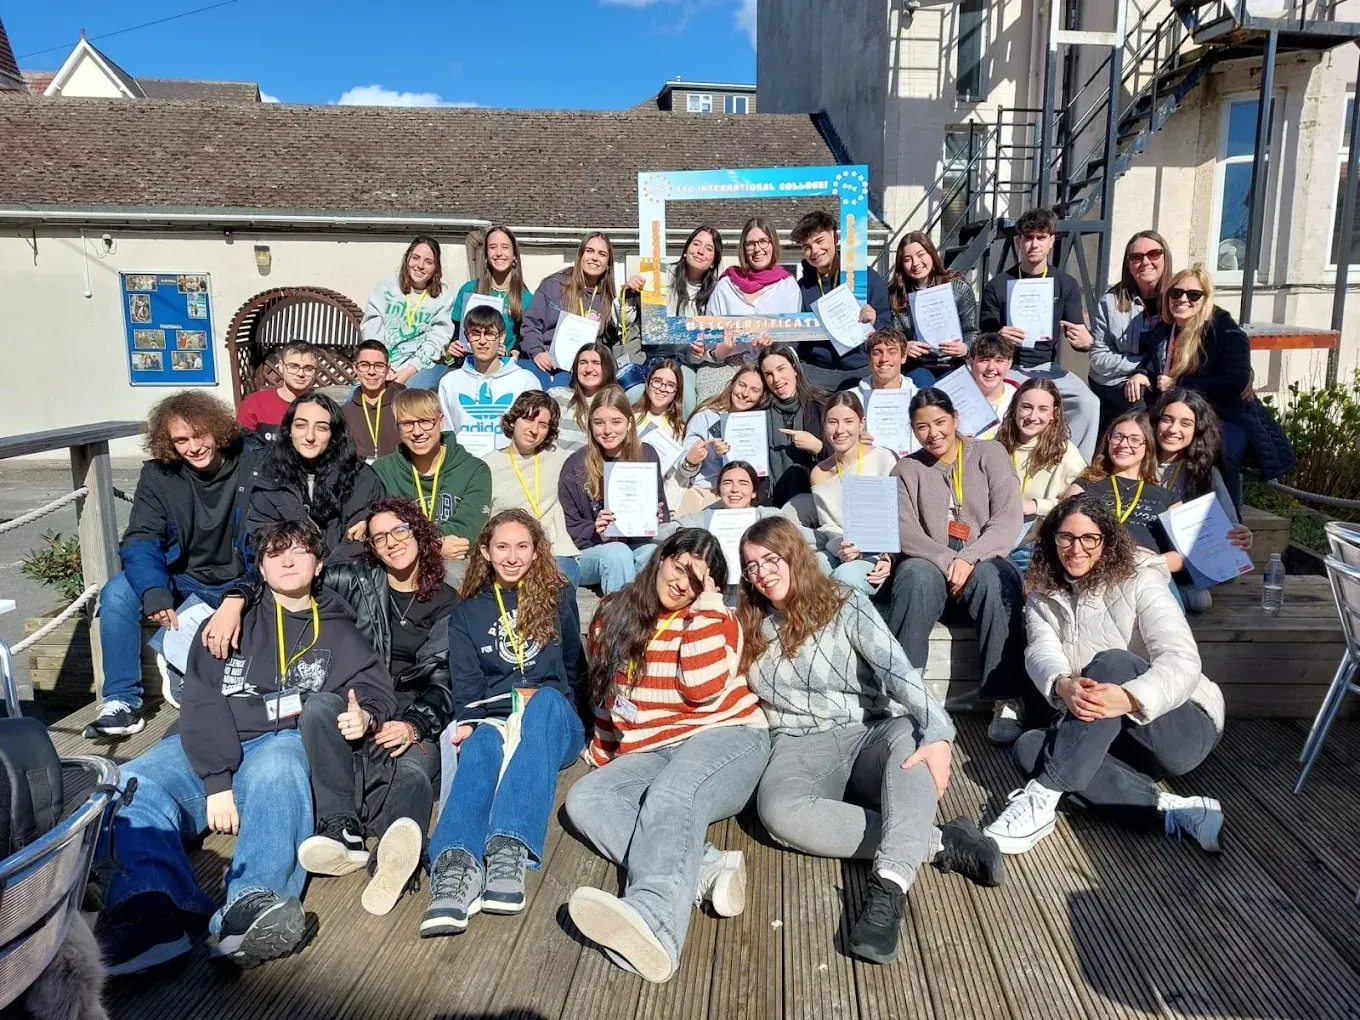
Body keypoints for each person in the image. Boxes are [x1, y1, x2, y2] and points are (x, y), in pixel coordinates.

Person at [94, 521, 397, 975]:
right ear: (261, 568)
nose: (288, 562)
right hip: (205, 742)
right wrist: (217, 781)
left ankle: (253, 902)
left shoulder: (340, 631)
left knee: (281, 769)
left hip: (279, 741)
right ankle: (150, 907)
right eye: (276, 554)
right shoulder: (225, 623)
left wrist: (366, 715)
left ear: (318, 565)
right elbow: (201, 700)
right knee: (131, 785)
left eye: (299, 552)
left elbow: (375, 689)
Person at [737, 516, 1003, 964]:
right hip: (797, 746)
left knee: (912, 736)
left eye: (770, 559)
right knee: (777, 811)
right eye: (751, 567)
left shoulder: (845, 603)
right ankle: (939, 842)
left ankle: (889, 889)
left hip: (867, 734)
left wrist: (940, 732)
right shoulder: (749, 627)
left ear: (794, 554)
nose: (762, 573)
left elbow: (898, 671)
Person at [565, 529, 769, 983]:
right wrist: (605, 747)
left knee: (671, 795)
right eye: (680, 568)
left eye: (698, 580)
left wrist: (705, 608)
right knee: (585, 799)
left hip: (728, 738)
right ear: (662, 558)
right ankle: (707, 866)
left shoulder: (718, 618)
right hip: (652, 748)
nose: (682, 584)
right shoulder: (612, 611)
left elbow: (701, 687)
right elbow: (607, 690)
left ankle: (656, 922)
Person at [981, 494, 1224, 855]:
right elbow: (1041, 650)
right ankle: (1172, 809)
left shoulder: (1141, 580)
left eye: (1089, 538)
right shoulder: (1043, 594)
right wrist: (1062, 684)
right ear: (1052, 540)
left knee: (1113, 663)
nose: (1076, 549)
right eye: (1066, 537)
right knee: (1031, 747)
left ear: (1106, 540)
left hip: (1179, 728)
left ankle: (1041, 798)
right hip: (1113, 737)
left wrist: (1130, 697)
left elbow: (1182, 660)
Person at [421, 510, 583, 936]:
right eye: (503, 547)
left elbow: (573, 665)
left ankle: (509, 846)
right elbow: (468, 686)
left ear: (536, 551)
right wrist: (468, 724)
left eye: (522, 546)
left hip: (552, 720)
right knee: (479, 743)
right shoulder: (468, 613)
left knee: (545, 701)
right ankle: (456, 866)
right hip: (496, 716)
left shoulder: (558, 597)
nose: (512, 557)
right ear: (486, 552)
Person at [297, 498, 457, 915]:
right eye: (379, 536)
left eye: (400, 530)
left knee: (413, 768)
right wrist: (236, 597)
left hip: (412, 710)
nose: (391, 542)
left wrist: (415, 724)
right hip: (359, 698)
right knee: (319, 708)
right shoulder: (353, 580)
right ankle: (342, 829)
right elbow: (292, 572)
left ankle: (395, 854)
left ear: (419, 533)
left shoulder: (448, 601)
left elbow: (444, 678)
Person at [86, 392, 260, 739]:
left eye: (200, 435)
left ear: (217, 430)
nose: (193, 447)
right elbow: (142, 537)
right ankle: (121, 701)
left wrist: (242, 592)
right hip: (184, 577)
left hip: (244, 578)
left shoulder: (253, 463)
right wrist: (154, 589)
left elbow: (273, 536)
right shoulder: (159, 475)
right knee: (117, 593)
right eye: (181, 440)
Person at [888, 389, 1030, 746]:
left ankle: (1005, 697)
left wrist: (970, 556)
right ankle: (905, 691)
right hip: (932, 567)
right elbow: (904, 530)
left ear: (955, 418)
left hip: (983, 562)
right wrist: (948, 559)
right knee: (914, 575)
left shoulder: (989, 454)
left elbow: (1008, 519)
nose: (933, 433)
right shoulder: (907, 469)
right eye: (922, 427)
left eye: (940, 422)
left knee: (995, 577)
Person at [978, 207, 1101, 459]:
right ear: (1018, 242)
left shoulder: (1065, 284)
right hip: (1011, 367)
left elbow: (1077, 336)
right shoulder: (998, 285)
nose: (1034, 244)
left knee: (1088, 403)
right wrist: (1000, 337)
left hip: (1048, 368)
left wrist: (1086, 341)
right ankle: (1002, 462)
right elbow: (984, 341)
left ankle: (1075, 465)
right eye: (1028, 238)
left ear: (1051, 240)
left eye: (1041, 237)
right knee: (999, 405)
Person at [1128, 267, 1252, 513]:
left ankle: (1229, 521)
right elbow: (1154, 362)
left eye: (1193, 294)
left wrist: (1180, 385)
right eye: (1176, 293)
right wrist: (1141, 373)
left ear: (1205, 298)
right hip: (1172, 413)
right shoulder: (1165, 329)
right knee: (1131, 434)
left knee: (1224, 451)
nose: (1183, 299)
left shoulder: (1224, 331)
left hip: (1221, 414)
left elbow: (1235, 380)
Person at [245, 393, 386, 560]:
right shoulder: (269, 478)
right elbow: (262, 537)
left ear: (334, 434)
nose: (310, 437)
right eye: (300, 425)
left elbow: (359, 542)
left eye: (321, 428)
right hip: (292, 572)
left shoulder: (359, 477)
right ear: (289, 430)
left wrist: (326, 570)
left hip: (346, 573)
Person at [558, 385, 670, 594]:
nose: (608, 430)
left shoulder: (646, 455)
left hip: (633, 545)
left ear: (629, 423)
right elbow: (568, 525)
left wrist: (653, 517)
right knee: (617, 553)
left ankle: (651, 615)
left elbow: (662, 509)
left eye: (616, 422)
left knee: (653, 554)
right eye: (599, 423)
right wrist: (596, 531)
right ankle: (617, 615)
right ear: (590, 425)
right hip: (587, 552)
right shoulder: (575, 466)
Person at [371, 388, 493, 575]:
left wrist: (412, 540)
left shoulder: (474, 470)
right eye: (407, 424)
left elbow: (466, 531)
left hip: (456, 566)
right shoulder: (382, 471)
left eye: (425, 421)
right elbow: (382, 531)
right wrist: (435, 545)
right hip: (400, 567)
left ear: (440, 421)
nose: (417, 432)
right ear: (397, 427)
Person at [1151, 389, 1253, 611]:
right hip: (1145, 554)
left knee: (1201, 601)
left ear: (1197, 430)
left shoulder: (1206, 472)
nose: (1173, 429)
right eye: (1167, 420)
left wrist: (1241, 536)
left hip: (1182, 565)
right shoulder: (1136, 462)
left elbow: (1230, 525)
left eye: (1185, 423)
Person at [1065, 411, 1182, 579]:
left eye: (1134, 439)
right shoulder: (1084, 486)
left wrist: (1148, 563)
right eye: (1117, 437)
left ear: (1148, 446)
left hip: (1147, 571)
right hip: (1095, 568)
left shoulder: (1168, 498)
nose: (1123, 444)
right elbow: (1064, 534)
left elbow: (1180, 556)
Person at [486, 390, 582, 585]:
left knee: (563, 572)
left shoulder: (559, 458)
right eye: (528, 419)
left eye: (543, 425)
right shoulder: (488, 465)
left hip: (554, 550)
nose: (534, 430)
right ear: (513, 420)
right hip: (510, 552)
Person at [808, 392, 898, 593]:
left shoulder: (883, 458)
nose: (840, 430)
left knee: (844, 576)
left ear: (861, 423)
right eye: (833, 422)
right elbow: (828, 525)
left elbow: (898, 517)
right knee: (811, 566)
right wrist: (843, 547)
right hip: (841, 550)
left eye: (849, 421)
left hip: (881, 556)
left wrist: (888, 556)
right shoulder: (819, 473)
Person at [791, 210, 891, 391]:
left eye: (819, 241)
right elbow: (796, 334)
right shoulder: (802, 287)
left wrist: (874, 322)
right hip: (817, 371)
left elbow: (887, 327)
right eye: (807, 247)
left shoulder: (866, 278)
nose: (814, 251)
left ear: (835, 237)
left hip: (860, 369)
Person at [521, 233, 634, 389]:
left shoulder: (607, 299)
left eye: (602, 254)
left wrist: (629, 298)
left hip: (581, 368)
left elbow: (609, 341)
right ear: (580, 256)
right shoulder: (554, 285)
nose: (595, 258)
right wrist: (537, 352)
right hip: (545, 359)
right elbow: (531, 324)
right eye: (590, 251)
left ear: (608, 264)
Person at [995, 377, 1087, 556]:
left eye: (1042, 409)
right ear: (1015, 408)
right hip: (995, 536)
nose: (1032, 417)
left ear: (1053, 414)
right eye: (1026, 407)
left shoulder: (1066, 453)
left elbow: (1081, 504)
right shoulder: (998, 446)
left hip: (1037, 545)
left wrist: (1037, 506)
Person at [1090, 231, 1171, 430]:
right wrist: (1140, 368)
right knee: (1140, 397)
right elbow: (1098, 357)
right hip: (1115, 381)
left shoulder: (1179, 297)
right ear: (1128, 264)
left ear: (1165, 258)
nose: (1145, 262)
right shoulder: (1110, 302)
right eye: (1136, 257)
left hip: (1163, 378)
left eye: (1154, 254)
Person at [436, 303, 541, 452]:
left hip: (508, 462)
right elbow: (447, 434)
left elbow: (532, 430)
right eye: (475, 334)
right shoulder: (449, 382)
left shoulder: (526, 381)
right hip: (465, 462)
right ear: (467, 336)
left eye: (490, 334)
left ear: (502, 336)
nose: (482, 341)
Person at [362, 235, 457, 391]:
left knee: (408, 395)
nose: (420, 266)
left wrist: (408, 371)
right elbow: (372, 329)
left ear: (436, 268)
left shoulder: (443, 298)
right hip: (383, 364)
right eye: (416, 258)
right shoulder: (386, 287)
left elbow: (437, 340)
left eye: (428, 262)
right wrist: (381, 365)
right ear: (407, 259)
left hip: (421, 367)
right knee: (355, 396)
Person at [886, 231, 978, 387]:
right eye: (907, 259)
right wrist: (904, 346)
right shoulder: (895, 295)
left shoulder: (958, 287)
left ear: (932, 254)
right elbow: (890, 335)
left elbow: (972, 332)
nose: (915, 263)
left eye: (921, 255)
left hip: (952, 362)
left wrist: (965, 348)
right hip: (916, 365)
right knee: (924, 389)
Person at [673, 364, 767, 500]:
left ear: (761, 396)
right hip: (705, 491)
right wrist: (693, 459)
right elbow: (685, 468)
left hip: (742, 495)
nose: (745, 393)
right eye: (742, 385)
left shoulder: (760, 422)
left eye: (754, 390)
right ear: (732, 384)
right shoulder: (706, 416)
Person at [664, 225, 727, 404]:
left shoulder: (717, 290)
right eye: (696, 244)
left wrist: (698, 352)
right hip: (657, 355)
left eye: (708, 248)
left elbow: (710, 341)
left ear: (714, 260)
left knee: (688, 396)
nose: (700, 251)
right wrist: (630, 293)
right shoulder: (660, 276)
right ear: (686, 249)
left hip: (690, 363)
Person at [760, 345, 827, 506]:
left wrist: (818, 448)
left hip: (814, 499)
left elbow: (844, 458)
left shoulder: (822, 406)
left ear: (795, 369)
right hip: (770, 502)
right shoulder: (758, 413)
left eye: (781, 369)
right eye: (769, 374)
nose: (776, 379)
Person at [450, 225, 533, 354]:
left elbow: (524, 341)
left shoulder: (527, 299)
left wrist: (513, 353)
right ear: (486, 256)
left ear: (514, 255)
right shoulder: (469, 290)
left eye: (505, 247)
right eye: (493, 247)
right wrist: (453, 347)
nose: (499, 253)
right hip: (470, 361)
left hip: (503, 362)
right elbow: (455, 333)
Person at [706, 216, 801, 318]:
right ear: (744, 248)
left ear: (773, 244)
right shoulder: (725, 286)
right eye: (750, 244)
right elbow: (711, 324)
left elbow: (795, 326)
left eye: (763, 241)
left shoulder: (788, 286)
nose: (757, 249)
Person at [236, 341, 319, 448]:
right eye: (293, 366)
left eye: (308, 368)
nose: (300, 374)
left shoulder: (322, 407)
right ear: (281, 366)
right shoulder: (255, 403)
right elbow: (243, 448)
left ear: (316, 371)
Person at [855, 329, 920, 454]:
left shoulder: (920, 399)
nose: (884, 359)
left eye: (892, 352)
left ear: (903, 357)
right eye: (877, 353)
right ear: (869, 359)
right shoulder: (853, 399)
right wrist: (853, 442)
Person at [341, 340, 405, 462]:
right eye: (364, 365)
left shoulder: (406, 404)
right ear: (355, 368)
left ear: (387, 369)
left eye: (379, 366)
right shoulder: (344, 413)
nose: (371, 372)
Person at [550, 341, 618, 453]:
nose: (588, 369)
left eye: (596, 363)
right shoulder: (557, 396)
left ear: (607, 368)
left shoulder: (616, 403)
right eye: (583, 362)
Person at [966, 333, 1019, 441]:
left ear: (1009, 363)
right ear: (971, 362)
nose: (990, 367)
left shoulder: (1017, 398)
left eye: (999, 360)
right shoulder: (955, 398)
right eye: (984, 360)